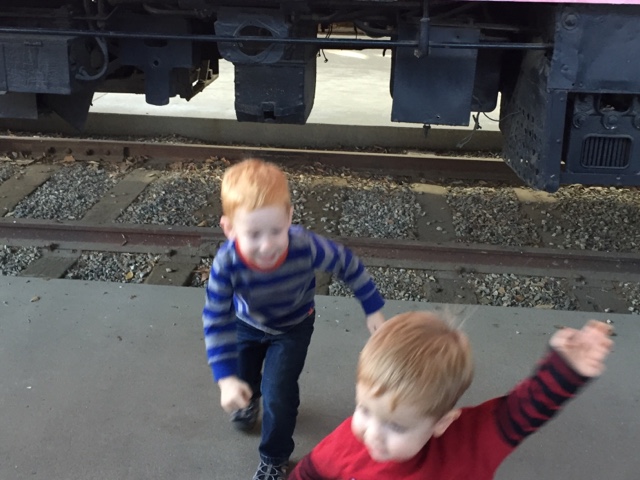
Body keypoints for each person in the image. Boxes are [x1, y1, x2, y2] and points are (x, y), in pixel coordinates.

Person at [201, 158, 386, 480]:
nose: (267, 245)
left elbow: (347, 264)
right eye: (253, 234)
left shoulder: (304, 246)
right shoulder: (226, 263)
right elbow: (216, 318)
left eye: (276, 230)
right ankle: (248, 397)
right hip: (246, 324)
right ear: (229, 229)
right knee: (244, 377)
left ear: (289, 217)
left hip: (293, 328)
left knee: (279, 393)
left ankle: (274, 457)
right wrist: (226, 379)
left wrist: (372, 307)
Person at [289, 311, 613, 479]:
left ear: (442, 422)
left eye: (396, 426)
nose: (372, 434)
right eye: (364, 409)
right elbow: (310, 473)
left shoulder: (469, 444)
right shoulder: (349, 441)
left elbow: (523, 410)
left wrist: (566, 367)